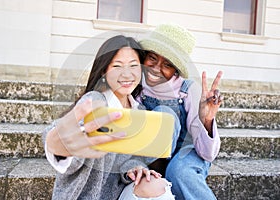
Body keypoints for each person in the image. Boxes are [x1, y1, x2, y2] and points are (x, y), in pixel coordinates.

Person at [42, 35, 174, 200]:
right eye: (117, 66)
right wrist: (59, 145)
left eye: (133, 65)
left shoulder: (139, 110)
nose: (127, 74)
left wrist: (135, 168)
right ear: (104, 71)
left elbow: (131, 158)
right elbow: (62, 139)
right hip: (85, 196)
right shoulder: (95, 101)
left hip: (119, 194)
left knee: (156, 184)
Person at [136, 24, 223, 200]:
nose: (155, 68)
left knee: (180, 172)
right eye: (152, 57)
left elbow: (208, 154)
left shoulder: (188, 90)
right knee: (162, 114)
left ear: (176, 70)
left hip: (188, 153)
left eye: (167, 64)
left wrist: (206, 121)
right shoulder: (136, 86)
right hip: (150, 157)